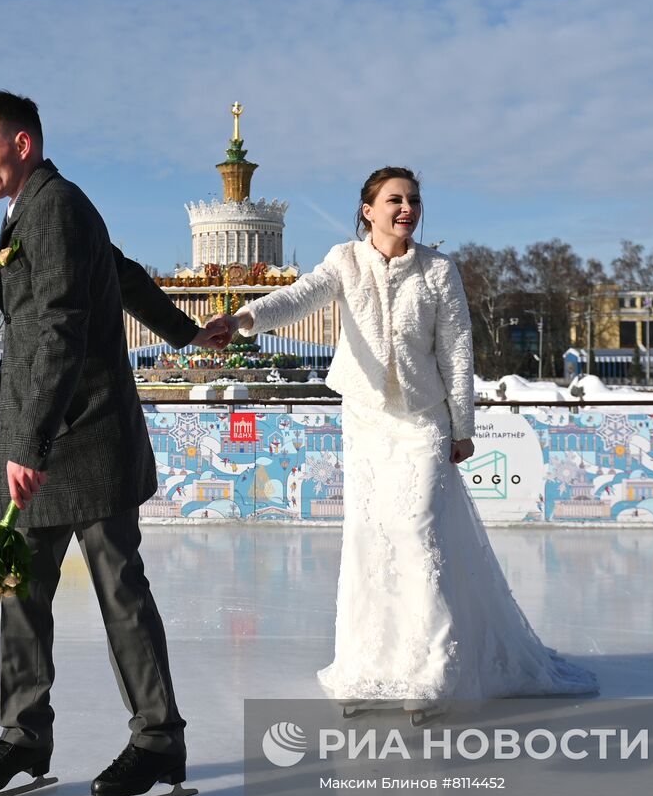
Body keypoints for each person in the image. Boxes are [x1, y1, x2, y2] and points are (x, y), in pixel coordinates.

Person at [211, 167, 596, 715]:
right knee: (370, 538)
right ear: (367, 209)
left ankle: (431, 672)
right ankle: (369, 670)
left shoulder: (440, 271)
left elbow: (458, 353)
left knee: (417, 533)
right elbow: (299, 297)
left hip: (423, 420)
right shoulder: (344, 261)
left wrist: (462, 427)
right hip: (367, 419)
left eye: (414, 200)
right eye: (394, 200)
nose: (407, 209)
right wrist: (246, 317)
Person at [0, 90, 232, 796]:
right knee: (22, 592)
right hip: (43, 440)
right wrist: (184, 331)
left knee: (119, 594)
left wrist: (32, 437)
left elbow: (60, 327)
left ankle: (158, 739)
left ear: (21, 144)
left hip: (82, 437)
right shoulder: (39, 211)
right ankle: (24, 735)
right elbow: (123, 272)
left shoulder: (56, 206)